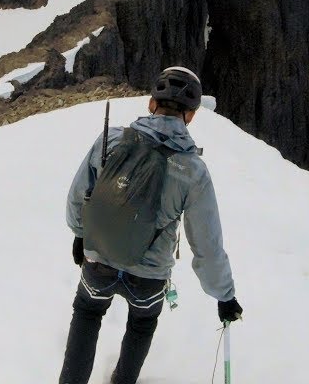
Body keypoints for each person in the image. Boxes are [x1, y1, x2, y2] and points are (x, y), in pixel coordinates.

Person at [59, 66, 242, 384]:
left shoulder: (112, 139)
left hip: (99, 259)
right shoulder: (193, 170)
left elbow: (78, 195)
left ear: (151, 103)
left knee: (88, 313)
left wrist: (79, 235)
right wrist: (224, 296)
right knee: (141, 326)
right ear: (191, 115)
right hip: (149, 277)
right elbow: (206, 245)